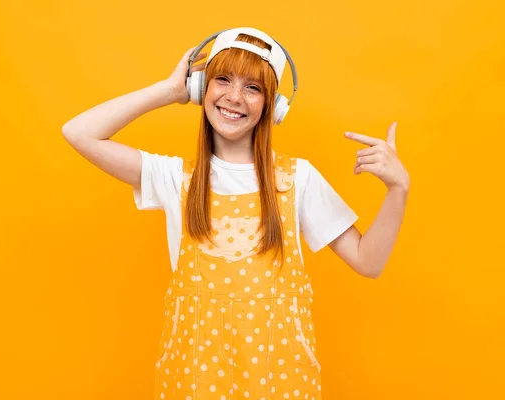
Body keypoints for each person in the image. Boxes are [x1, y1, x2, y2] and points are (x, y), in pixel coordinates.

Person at [62, 27, 409, 400]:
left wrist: (397, 189)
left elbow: (368, 262)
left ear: (271, 106)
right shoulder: (174, 178)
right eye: (222, 80)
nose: (233, 97)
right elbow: (79, 132)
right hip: (194, 381)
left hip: (280, 382)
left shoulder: (297, 179)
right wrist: (169, 91)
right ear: (201, 90)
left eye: (253, 87)